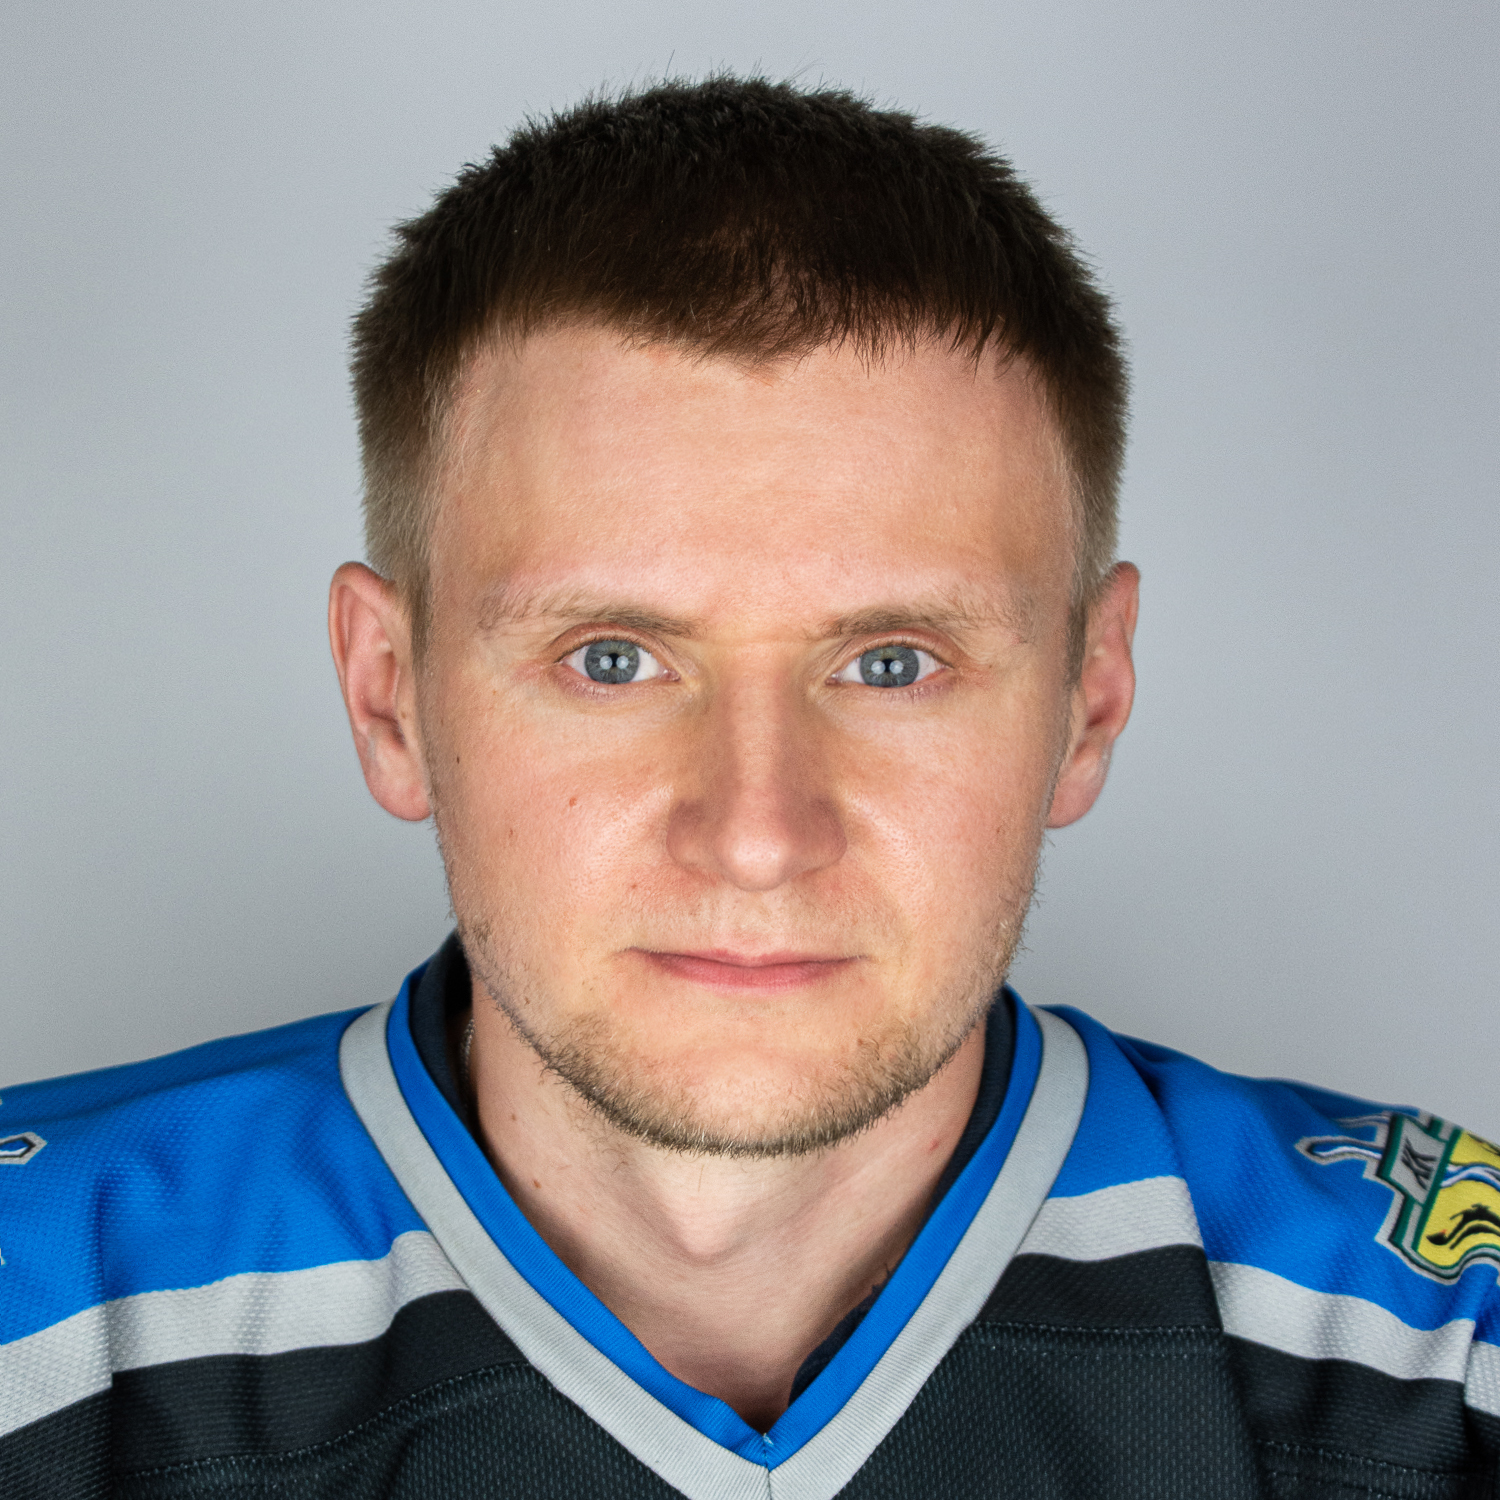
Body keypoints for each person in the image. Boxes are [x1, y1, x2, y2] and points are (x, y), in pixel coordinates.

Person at [1, 76, 1496, 1500]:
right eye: (611, 660)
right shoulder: (42, 1306)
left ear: (1088, 698)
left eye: (894, 663)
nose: (760, 835)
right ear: (389, 695)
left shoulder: (1438, 1342)